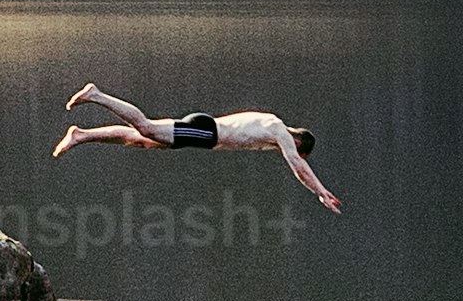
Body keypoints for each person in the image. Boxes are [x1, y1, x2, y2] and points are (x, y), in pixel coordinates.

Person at [58, 81, 340, 210]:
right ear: (298, 141)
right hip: (205, 133)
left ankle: (81, 135)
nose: (286, 153)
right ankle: (96, 96)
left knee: (138, 140)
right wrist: (322, 192)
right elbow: (299, 168)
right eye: (294, 150)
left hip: (204, 131)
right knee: (145, 127)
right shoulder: (279, 131)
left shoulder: (270, 121)